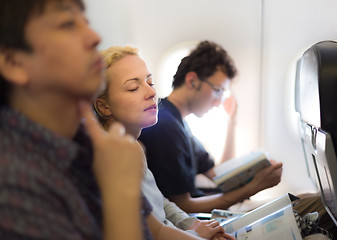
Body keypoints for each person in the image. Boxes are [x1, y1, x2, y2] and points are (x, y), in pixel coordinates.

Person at [0, 0, 151, 239]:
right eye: (67, 24)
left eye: (87, 23)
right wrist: (121, 194)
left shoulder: (89, 143)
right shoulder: (12, 180)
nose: (94, 37)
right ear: (14, 62)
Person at [92, 45, 235, 240]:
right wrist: (194, 235)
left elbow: (160, 203)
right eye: (133, 87)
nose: (151, 92)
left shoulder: (133, 146)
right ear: (104, 105)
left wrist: (194, 225)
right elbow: (151, 232)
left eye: (150, 82)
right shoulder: (108, 158)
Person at [138, 40, 283, 213]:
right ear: (192, 81)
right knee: (304, 203)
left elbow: (219, 175)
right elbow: (184, 206)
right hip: (201, 217)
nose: (219, 101)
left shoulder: (180, 123)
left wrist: (232, 121)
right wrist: (253, 188)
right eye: (217, 90)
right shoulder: (165, 126)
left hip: (214, 207)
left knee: (301, 201)